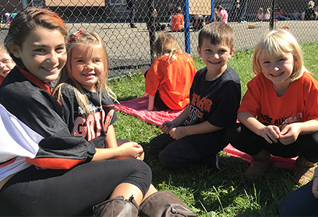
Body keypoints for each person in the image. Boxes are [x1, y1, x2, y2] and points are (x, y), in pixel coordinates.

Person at [0, 7, 196, 217]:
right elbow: (63, 155)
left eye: (59, 49)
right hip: (21, 191)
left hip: (29, 181)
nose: (53, 59)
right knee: (138, 169)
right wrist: (118, 154)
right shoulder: (23, 93)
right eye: (40, 50)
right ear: (16, 49)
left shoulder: (25, 83)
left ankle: (176, 215)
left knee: (123, 167)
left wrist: (116, 152)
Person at [227, 29, 318, 185]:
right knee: (234, 132)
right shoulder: (259, 83)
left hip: (297, 141)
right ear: (259, 63)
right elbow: (243, 114)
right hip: (268, 139)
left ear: (295, 60)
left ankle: (305, 163)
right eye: (267, 62)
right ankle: (261, 159)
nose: (274, 68)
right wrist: (261, 129)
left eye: (281, 60)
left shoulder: (307, 83)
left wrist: (299, 128)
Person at [149, 22, 241, 169]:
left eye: (221, 51)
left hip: (212, 136)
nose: (215, 56)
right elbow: (192, 105)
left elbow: (218, 124)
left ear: (231, 52)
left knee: (167, 158)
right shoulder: (200, 75)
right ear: (199, 51)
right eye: (209, 50)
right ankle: (194, 151)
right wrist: (175, 123)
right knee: (154, 146)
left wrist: (184, 131)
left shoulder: (229, 84)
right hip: (192, 127)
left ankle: (208, 157)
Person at [141, 33, 196, 111]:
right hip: (186, 101)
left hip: (166, 104)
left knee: (145, 68)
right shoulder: (188, 58)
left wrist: (149, 109)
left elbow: (152, 87)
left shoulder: (159, 63)